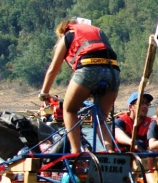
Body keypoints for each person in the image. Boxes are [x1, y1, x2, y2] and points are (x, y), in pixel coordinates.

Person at [38, 18, 120, 153]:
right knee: (101, 119)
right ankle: (110, 152)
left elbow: (53, 69)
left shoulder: (68, 35)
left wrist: (44, 93)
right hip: (113, 71)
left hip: (89, 69)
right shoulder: (98, 31)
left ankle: (76, 152)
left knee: (69, 109)